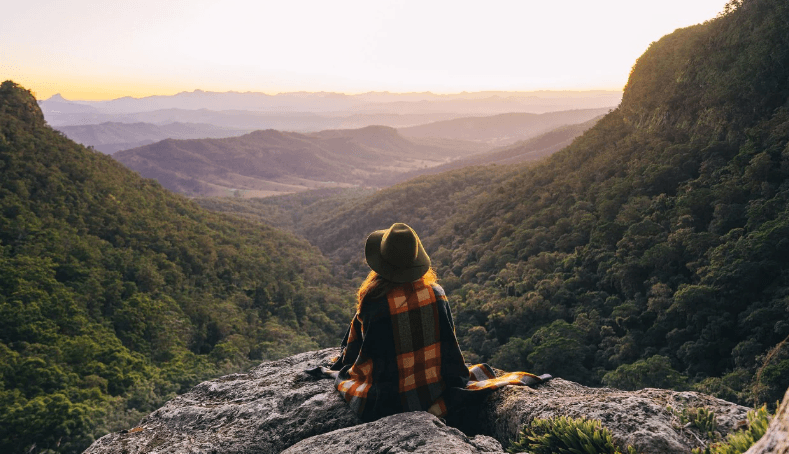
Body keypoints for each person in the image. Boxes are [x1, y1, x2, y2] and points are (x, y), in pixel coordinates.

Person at [309, 222, 550, 424]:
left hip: (385, 400)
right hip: (435, 390)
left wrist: (339, 368)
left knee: (344, 376)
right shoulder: (436, 293)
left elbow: (355, 352)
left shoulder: (374, 302)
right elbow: (449, 350)